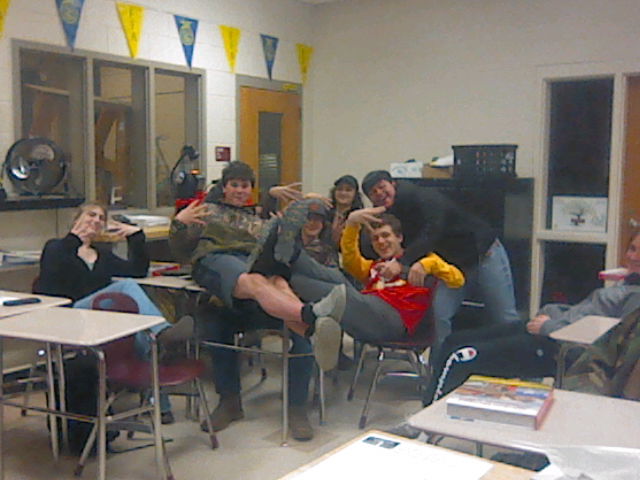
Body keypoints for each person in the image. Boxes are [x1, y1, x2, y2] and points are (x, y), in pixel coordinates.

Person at [169, 161, 346, 440]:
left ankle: (297, 405)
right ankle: (230, 402)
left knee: (280, 287)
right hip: (219, 267)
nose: (240, 191)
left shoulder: (260, 220)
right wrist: (179, 224)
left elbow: (280, 253)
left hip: (255, 285)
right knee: (225, 316)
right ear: (224, 188)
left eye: (245, 185)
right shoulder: (209, 211)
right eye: (235, 185)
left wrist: (291, 223)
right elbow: (180, 251)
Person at [423, 229, 640, 406]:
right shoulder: (630, 281)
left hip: (560, 348)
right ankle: (428, 413)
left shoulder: (636, 299)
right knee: (454, 340)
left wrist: (549, 327)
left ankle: (427, 428)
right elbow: (583, 312)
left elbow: (608, 337)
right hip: (549, 329)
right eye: (632, 249)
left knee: (461, 357)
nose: (633, 257)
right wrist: (552, 312)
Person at [34, 202, 193, 424]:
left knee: (144, 339)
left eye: (101, 218)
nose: (96, 220)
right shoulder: (56, 248)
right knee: (125, 287)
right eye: (91, 215)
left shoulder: (103, 255)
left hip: (100, 321)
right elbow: (48, 284)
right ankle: (162, 329)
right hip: (69, 317)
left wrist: (136, 236)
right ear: (76, 219)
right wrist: (74, 239)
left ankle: (159, 404)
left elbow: (137, 271)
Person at [361, 170, 520, 347]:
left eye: (382, 187)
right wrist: (355, 221)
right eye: (373, 193)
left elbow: (433, 231)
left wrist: (403, 262)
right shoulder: (391, 214)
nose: (380, 194)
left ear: (393, 184)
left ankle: (524, 370)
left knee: (503, 316)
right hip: (451, 266)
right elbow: (371, 247)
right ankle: (440, 367)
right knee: (439, 315)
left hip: (484, 254)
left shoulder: (421, 196)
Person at [327, 174, 365, 249]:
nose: (343, 193)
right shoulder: (326, 212)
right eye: (339, 189)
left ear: (355, 194)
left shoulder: (359, 217)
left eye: (348, 190)